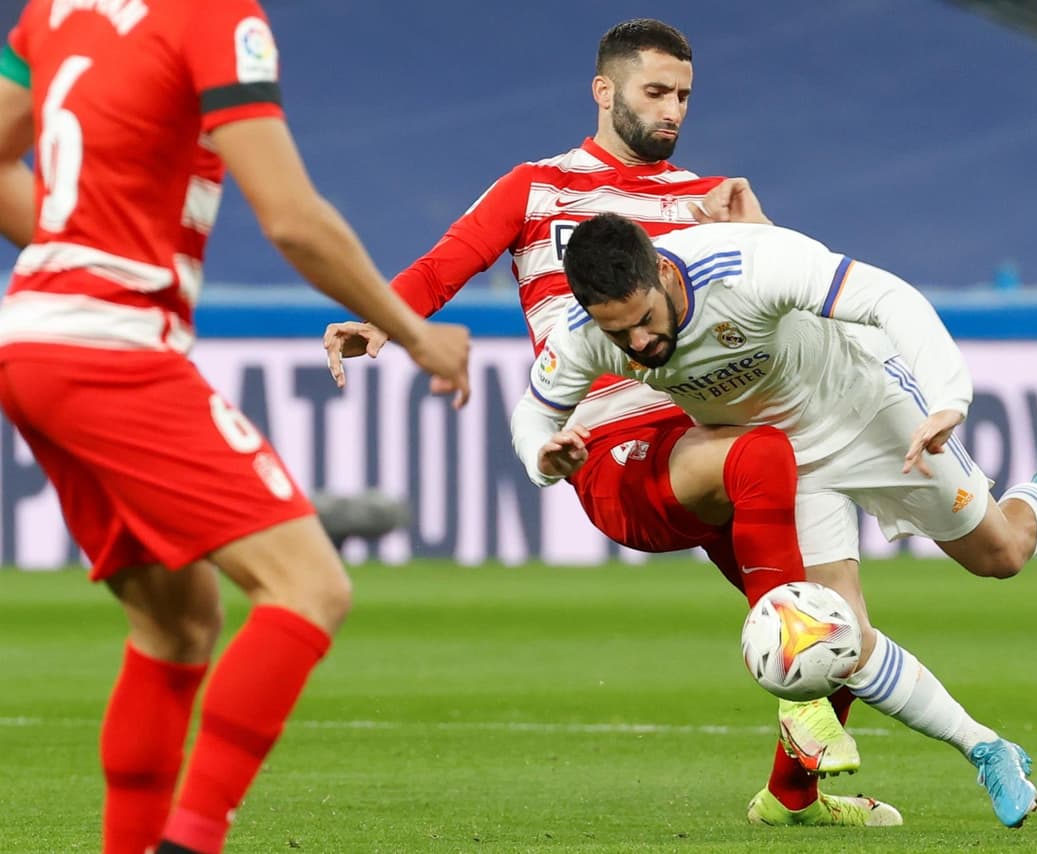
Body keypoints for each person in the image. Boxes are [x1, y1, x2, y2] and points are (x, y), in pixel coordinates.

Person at [323, 18, 894, 829]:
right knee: (770, 474)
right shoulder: (535, 188)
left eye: (684, 96)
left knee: (836, 629)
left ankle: (791, 798)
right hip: (619, 452)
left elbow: (783, 292)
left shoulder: (704, 199)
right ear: (604, 91)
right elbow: (445, 262)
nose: (673, 111)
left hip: (707, 430)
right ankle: (801, 723)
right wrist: (377, 319)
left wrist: (756, 230)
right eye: (655, 92)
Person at [0, 2, 469, 853]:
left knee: (176, 627)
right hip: (112, 344)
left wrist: (84, 237)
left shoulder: (53, 12)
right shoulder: (213, 15)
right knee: (310, 587)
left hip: (30, 342)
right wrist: (414, 329)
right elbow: (290, 218)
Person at [511, 213, 1037, 828]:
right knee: (838, 639)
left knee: (999, 555)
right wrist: (543, 458)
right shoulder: (587, 334)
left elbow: (890, 297)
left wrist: (949, 395)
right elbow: (534, 414)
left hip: (870, 408)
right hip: (788, 461)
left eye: (645, 321)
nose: (640, 345)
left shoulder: (747, 267)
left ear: (661, 273)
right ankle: (985, 749)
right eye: (621, 336)